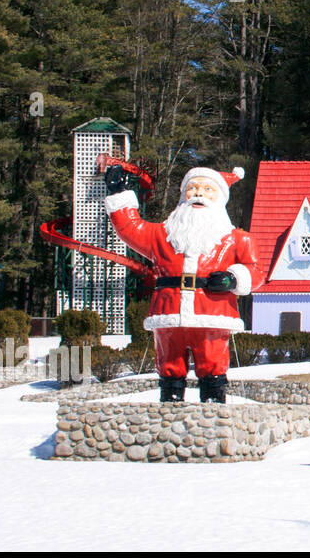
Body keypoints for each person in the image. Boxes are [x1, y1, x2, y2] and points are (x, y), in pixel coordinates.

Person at [104, 164, 257, 403]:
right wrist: (118, 194)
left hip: (212, 313)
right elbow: (130, 228)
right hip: (169, 311)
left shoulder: (238, 239)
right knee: (169, 362)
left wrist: (234, 278)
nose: (199, 194)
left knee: (213, 361)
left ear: (220, 198)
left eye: (208, 189)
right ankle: (171, 401)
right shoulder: (161, 235)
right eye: (192, 188)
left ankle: (213, 403)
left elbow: (254, 270)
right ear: (183, 195)